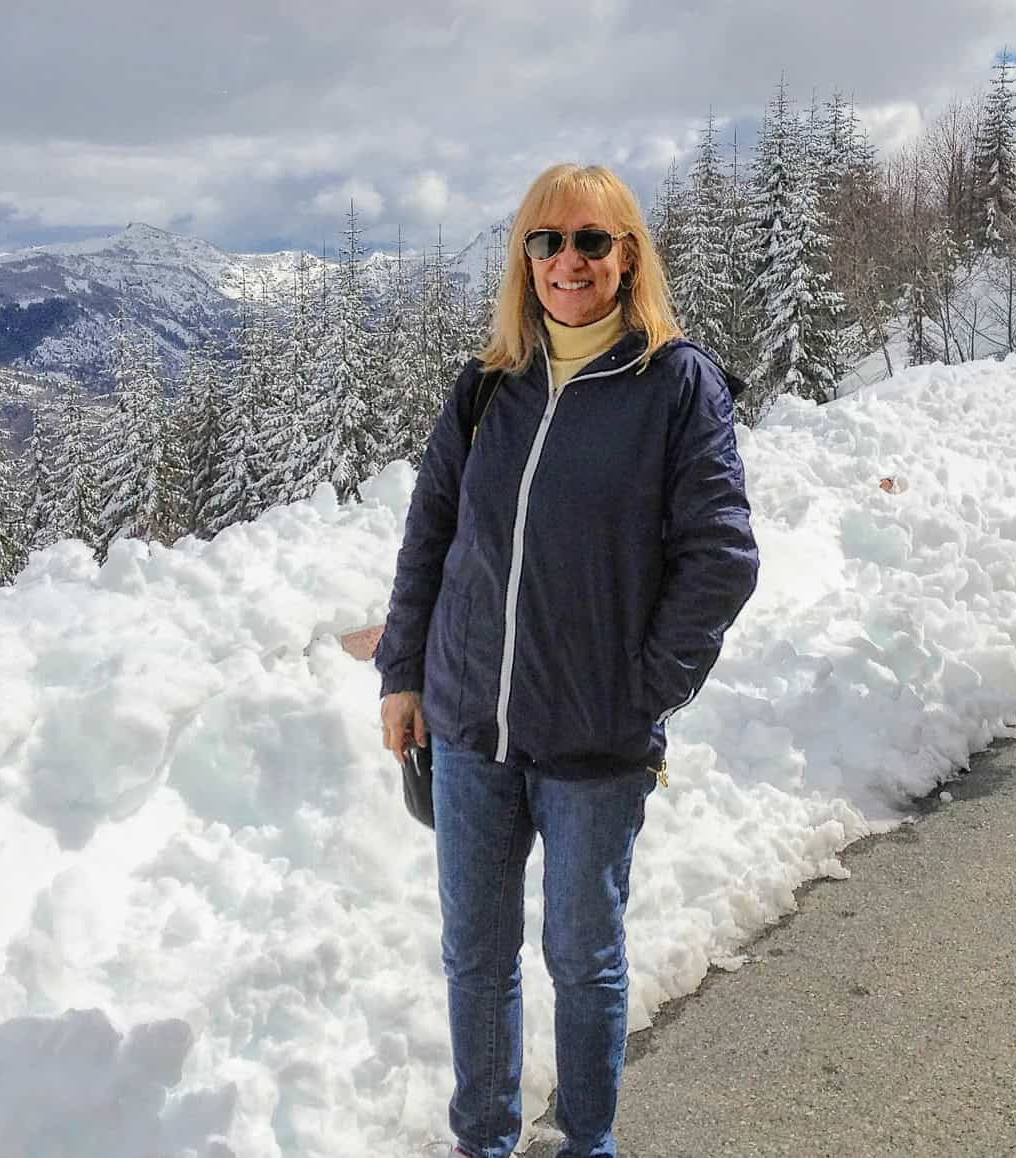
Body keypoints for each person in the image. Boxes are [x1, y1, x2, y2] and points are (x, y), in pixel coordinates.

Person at [376, 163, 759, 1158]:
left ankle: (588, 1143)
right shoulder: (487, 386)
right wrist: (405, 676)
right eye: (547, 242)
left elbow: (720, 558)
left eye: (592, 240)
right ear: (525, 259)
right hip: (469, 729)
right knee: (476, 958)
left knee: (582, 959)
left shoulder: (676, 385)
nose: (569, 261)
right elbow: (430, 539)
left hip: (595, 740)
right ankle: (485, 1144)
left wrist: (641, 691)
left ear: (628, 253)